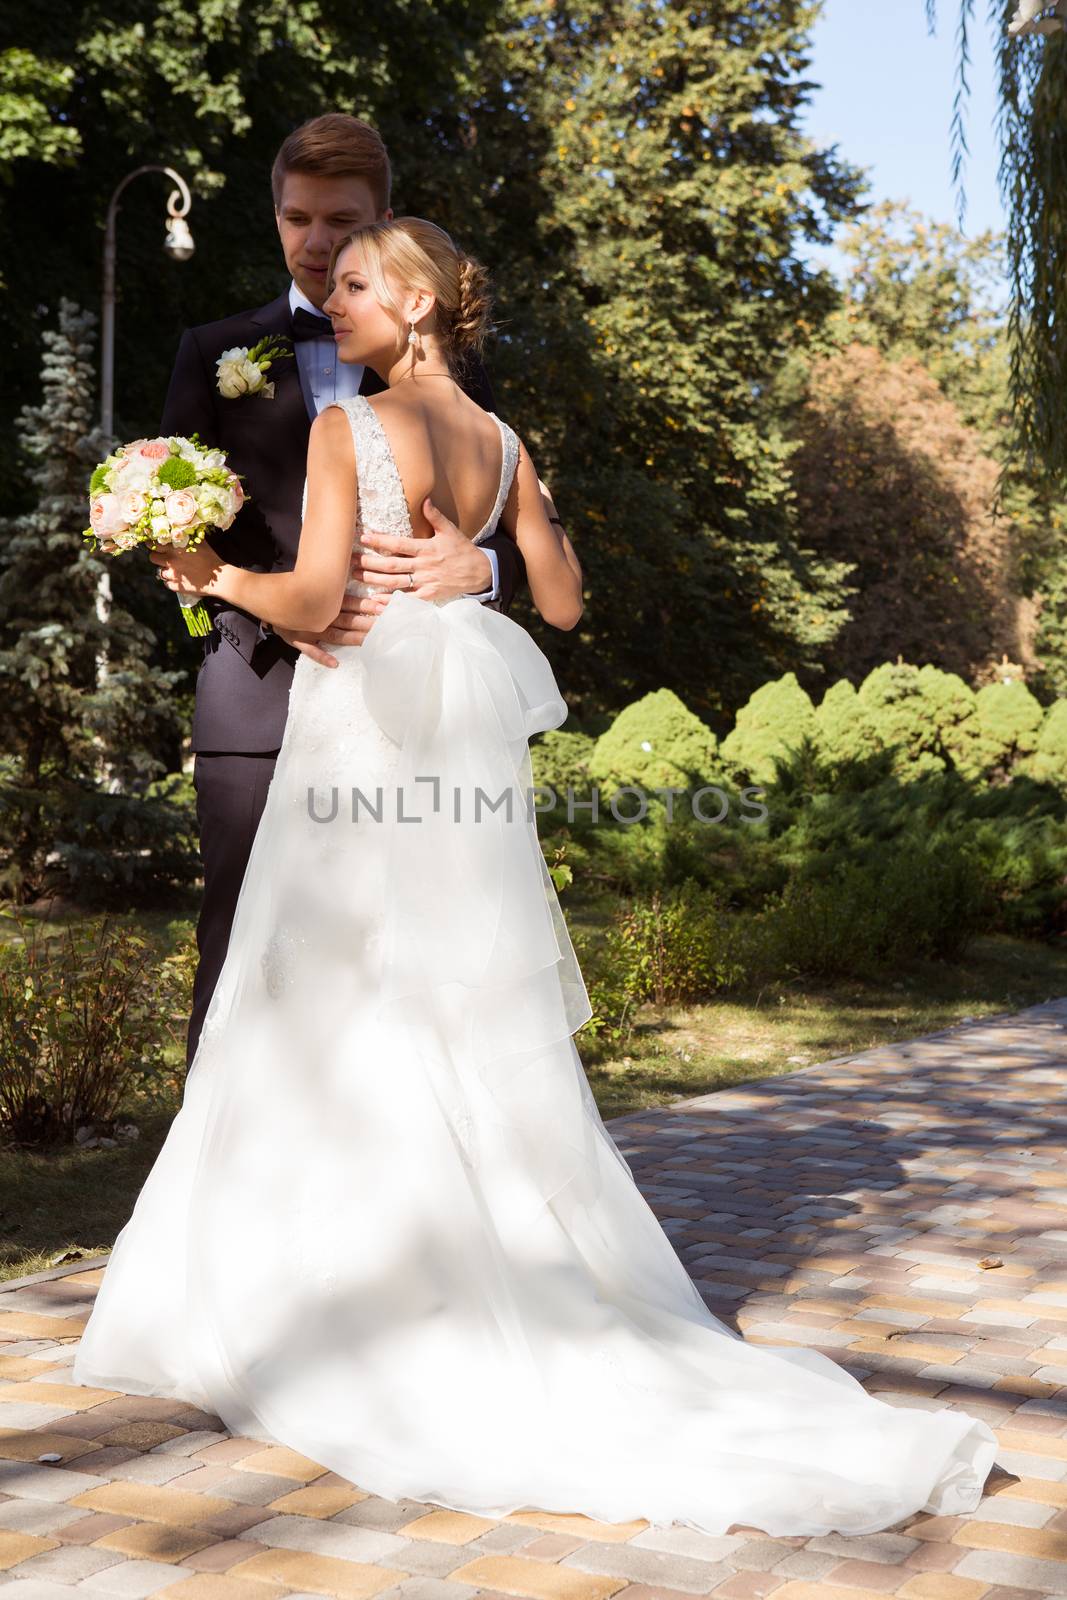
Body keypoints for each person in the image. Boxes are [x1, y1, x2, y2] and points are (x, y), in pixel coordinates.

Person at [71, 217, 998, 1538]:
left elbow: (325, 598)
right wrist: (482, 566)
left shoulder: (351, 431)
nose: (329, 305)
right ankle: (461, 1260)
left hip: (367, 744)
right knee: (444, 994)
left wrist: (211, 570)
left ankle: (335, 1301)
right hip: (451, 753)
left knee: (334, 992)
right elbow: (557, 602)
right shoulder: (503, 446)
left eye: (351, 289)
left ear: (413, 305)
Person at [161, 112, 563, 1070]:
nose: (316, 242)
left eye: (341, 223)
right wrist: (243, 595)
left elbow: (520, 524)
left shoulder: (467, 381)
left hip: (417, 701)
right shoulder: (212, 352)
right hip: (257, 686)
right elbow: (168, 527)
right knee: (243, 940)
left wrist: (484, 569)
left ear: (384, 223)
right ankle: (227, 1178)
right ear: (274, 216)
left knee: (429, 941)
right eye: (295, 218)